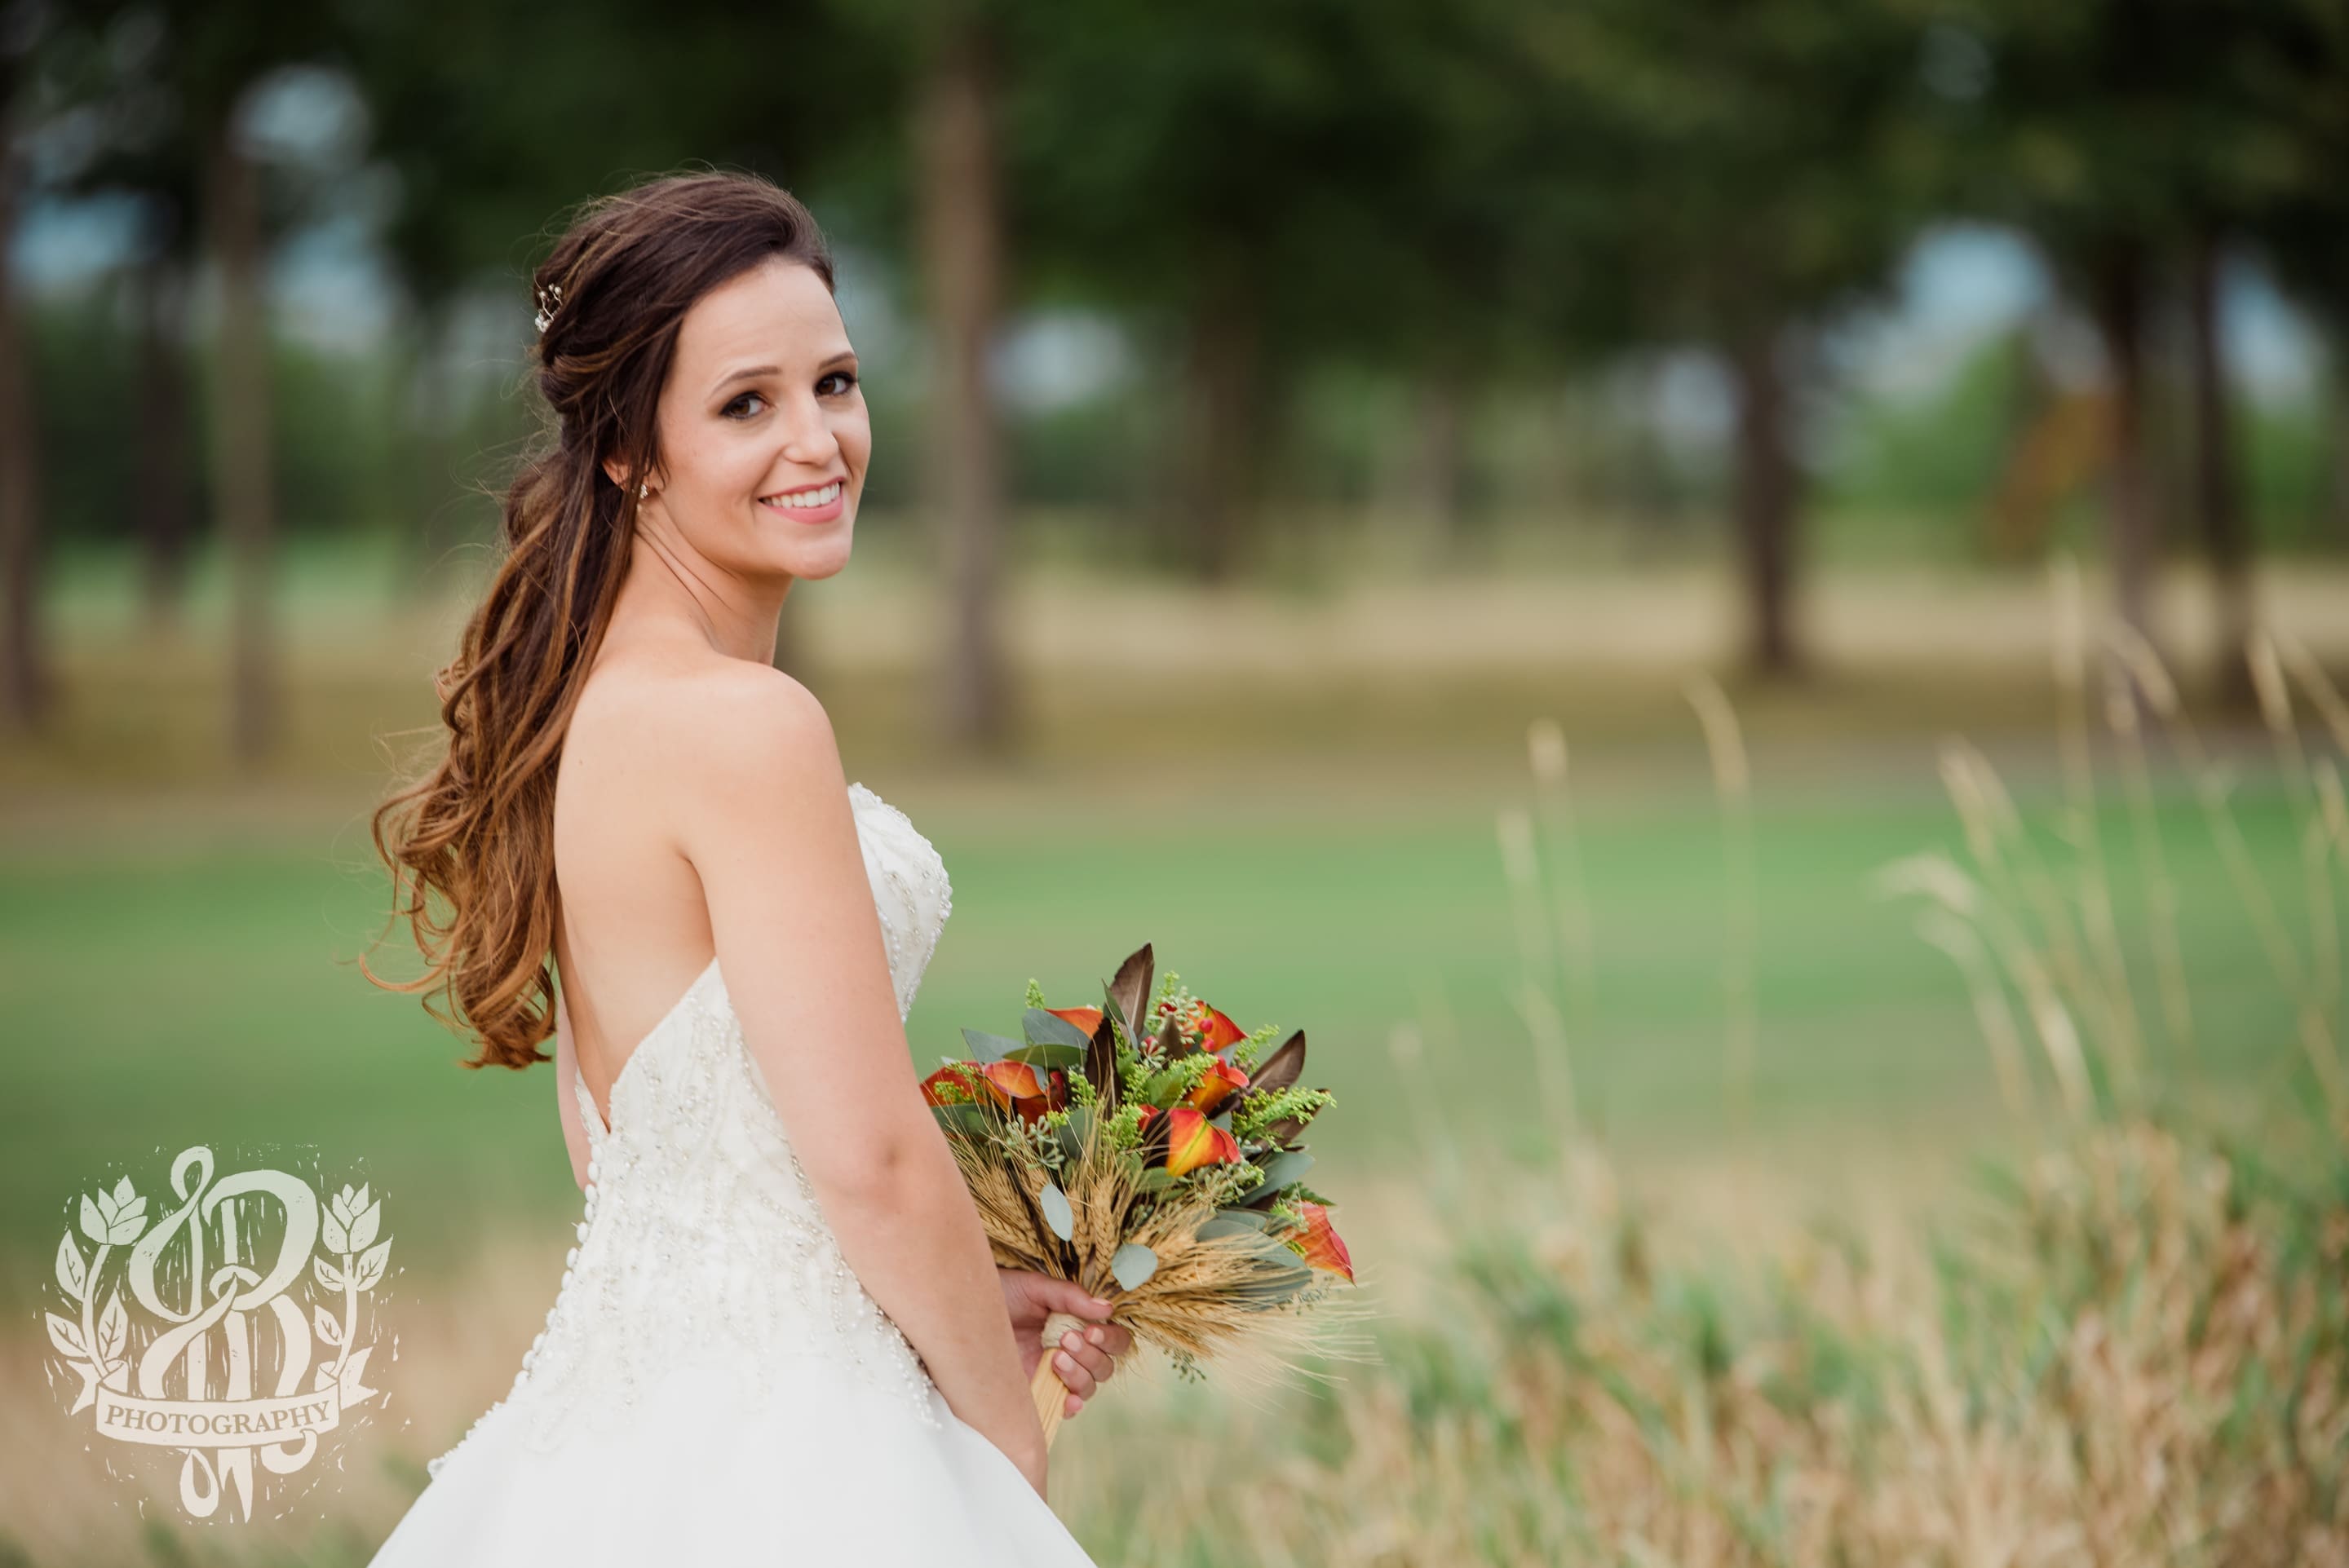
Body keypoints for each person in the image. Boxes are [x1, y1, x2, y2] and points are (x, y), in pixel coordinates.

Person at [362, 170, 1126, 1562]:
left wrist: (952, 1304)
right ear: (626, 452)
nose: (819, 440)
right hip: (799, 1456)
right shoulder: (747, 727)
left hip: (627, 1444)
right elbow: (873, 1159)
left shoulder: (590, 715)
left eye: (834, 382)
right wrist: (1000, 1457)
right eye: (744, 405)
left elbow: (638, 1152)